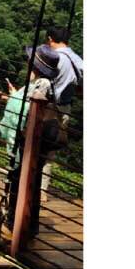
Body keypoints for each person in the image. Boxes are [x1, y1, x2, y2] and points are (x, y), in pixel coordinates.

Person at [0, 45, 64, 236]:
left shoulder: (42, 84)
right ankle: (25, 222)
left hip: (34, 137)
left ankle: (16, 223)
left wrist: (13, 98)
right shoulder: (40, 82)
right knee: (29, 180)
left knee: (23, 179)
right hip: (36, 135)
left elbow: (32, 107)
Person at [39, 27, 83, 196]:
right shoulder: (77, 60)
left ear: (50, 39)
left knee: (33, 146)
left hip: (46, 107)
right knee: (50, 151)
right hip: (65, 108)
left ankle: (28, 186)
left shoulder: (53, 57)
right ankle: (42, 191)